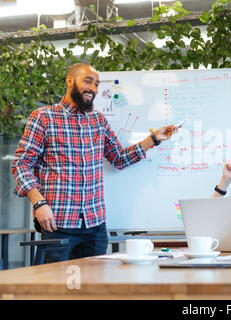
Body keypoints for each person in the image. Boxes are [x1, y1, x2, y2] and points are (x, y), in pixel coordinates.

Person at [11, 62, 178, 263]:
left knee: (94, 290)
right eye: (87, 81)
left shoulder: (98, 120)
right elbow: (21, 164)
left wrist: (153, 139)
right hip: (58, 224)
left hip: (95, 225)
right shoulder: (44, 117)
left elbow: (119, 158)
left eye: (97, 84)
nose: (93, 89)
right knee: (55, 290)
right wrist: (39, 203)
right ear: (70, 80)